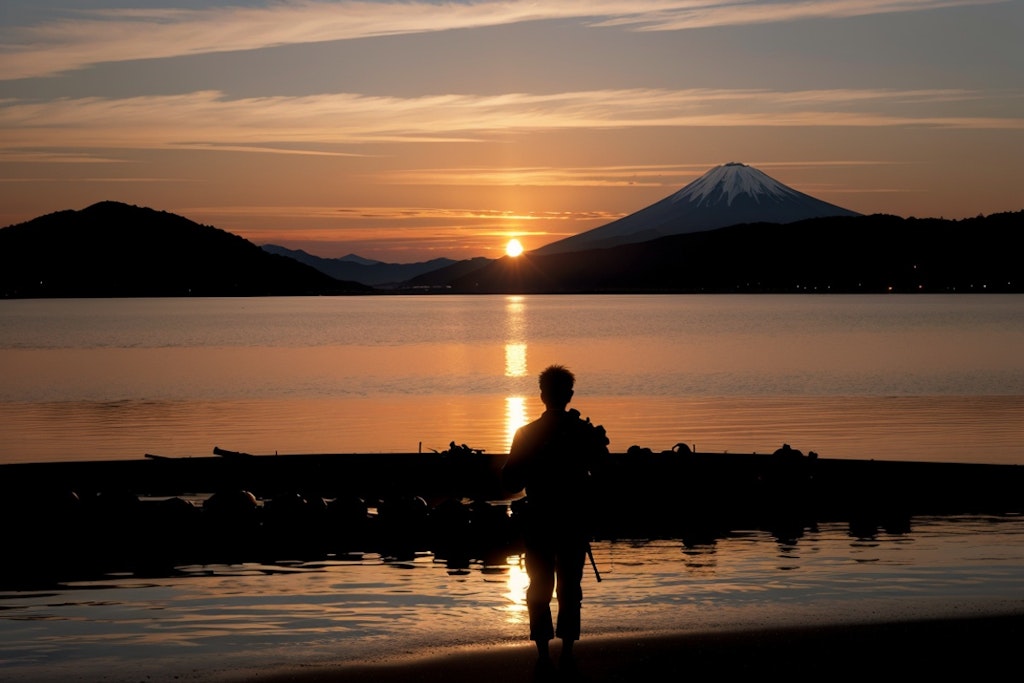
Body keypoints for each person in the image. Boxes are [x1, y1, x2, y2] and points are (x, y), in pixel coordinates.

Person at [501, 365, 609, 668]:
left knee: (539, 584)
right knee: (570, 586)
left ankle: (543, 653)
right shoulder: (583, 432)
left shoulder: (526, 433)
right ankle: (567, 651)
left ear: (541, 395)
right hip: (573, 519)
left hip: (538, 519)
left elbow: (511, 483)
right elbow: (603, 474)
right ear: (569, 395)